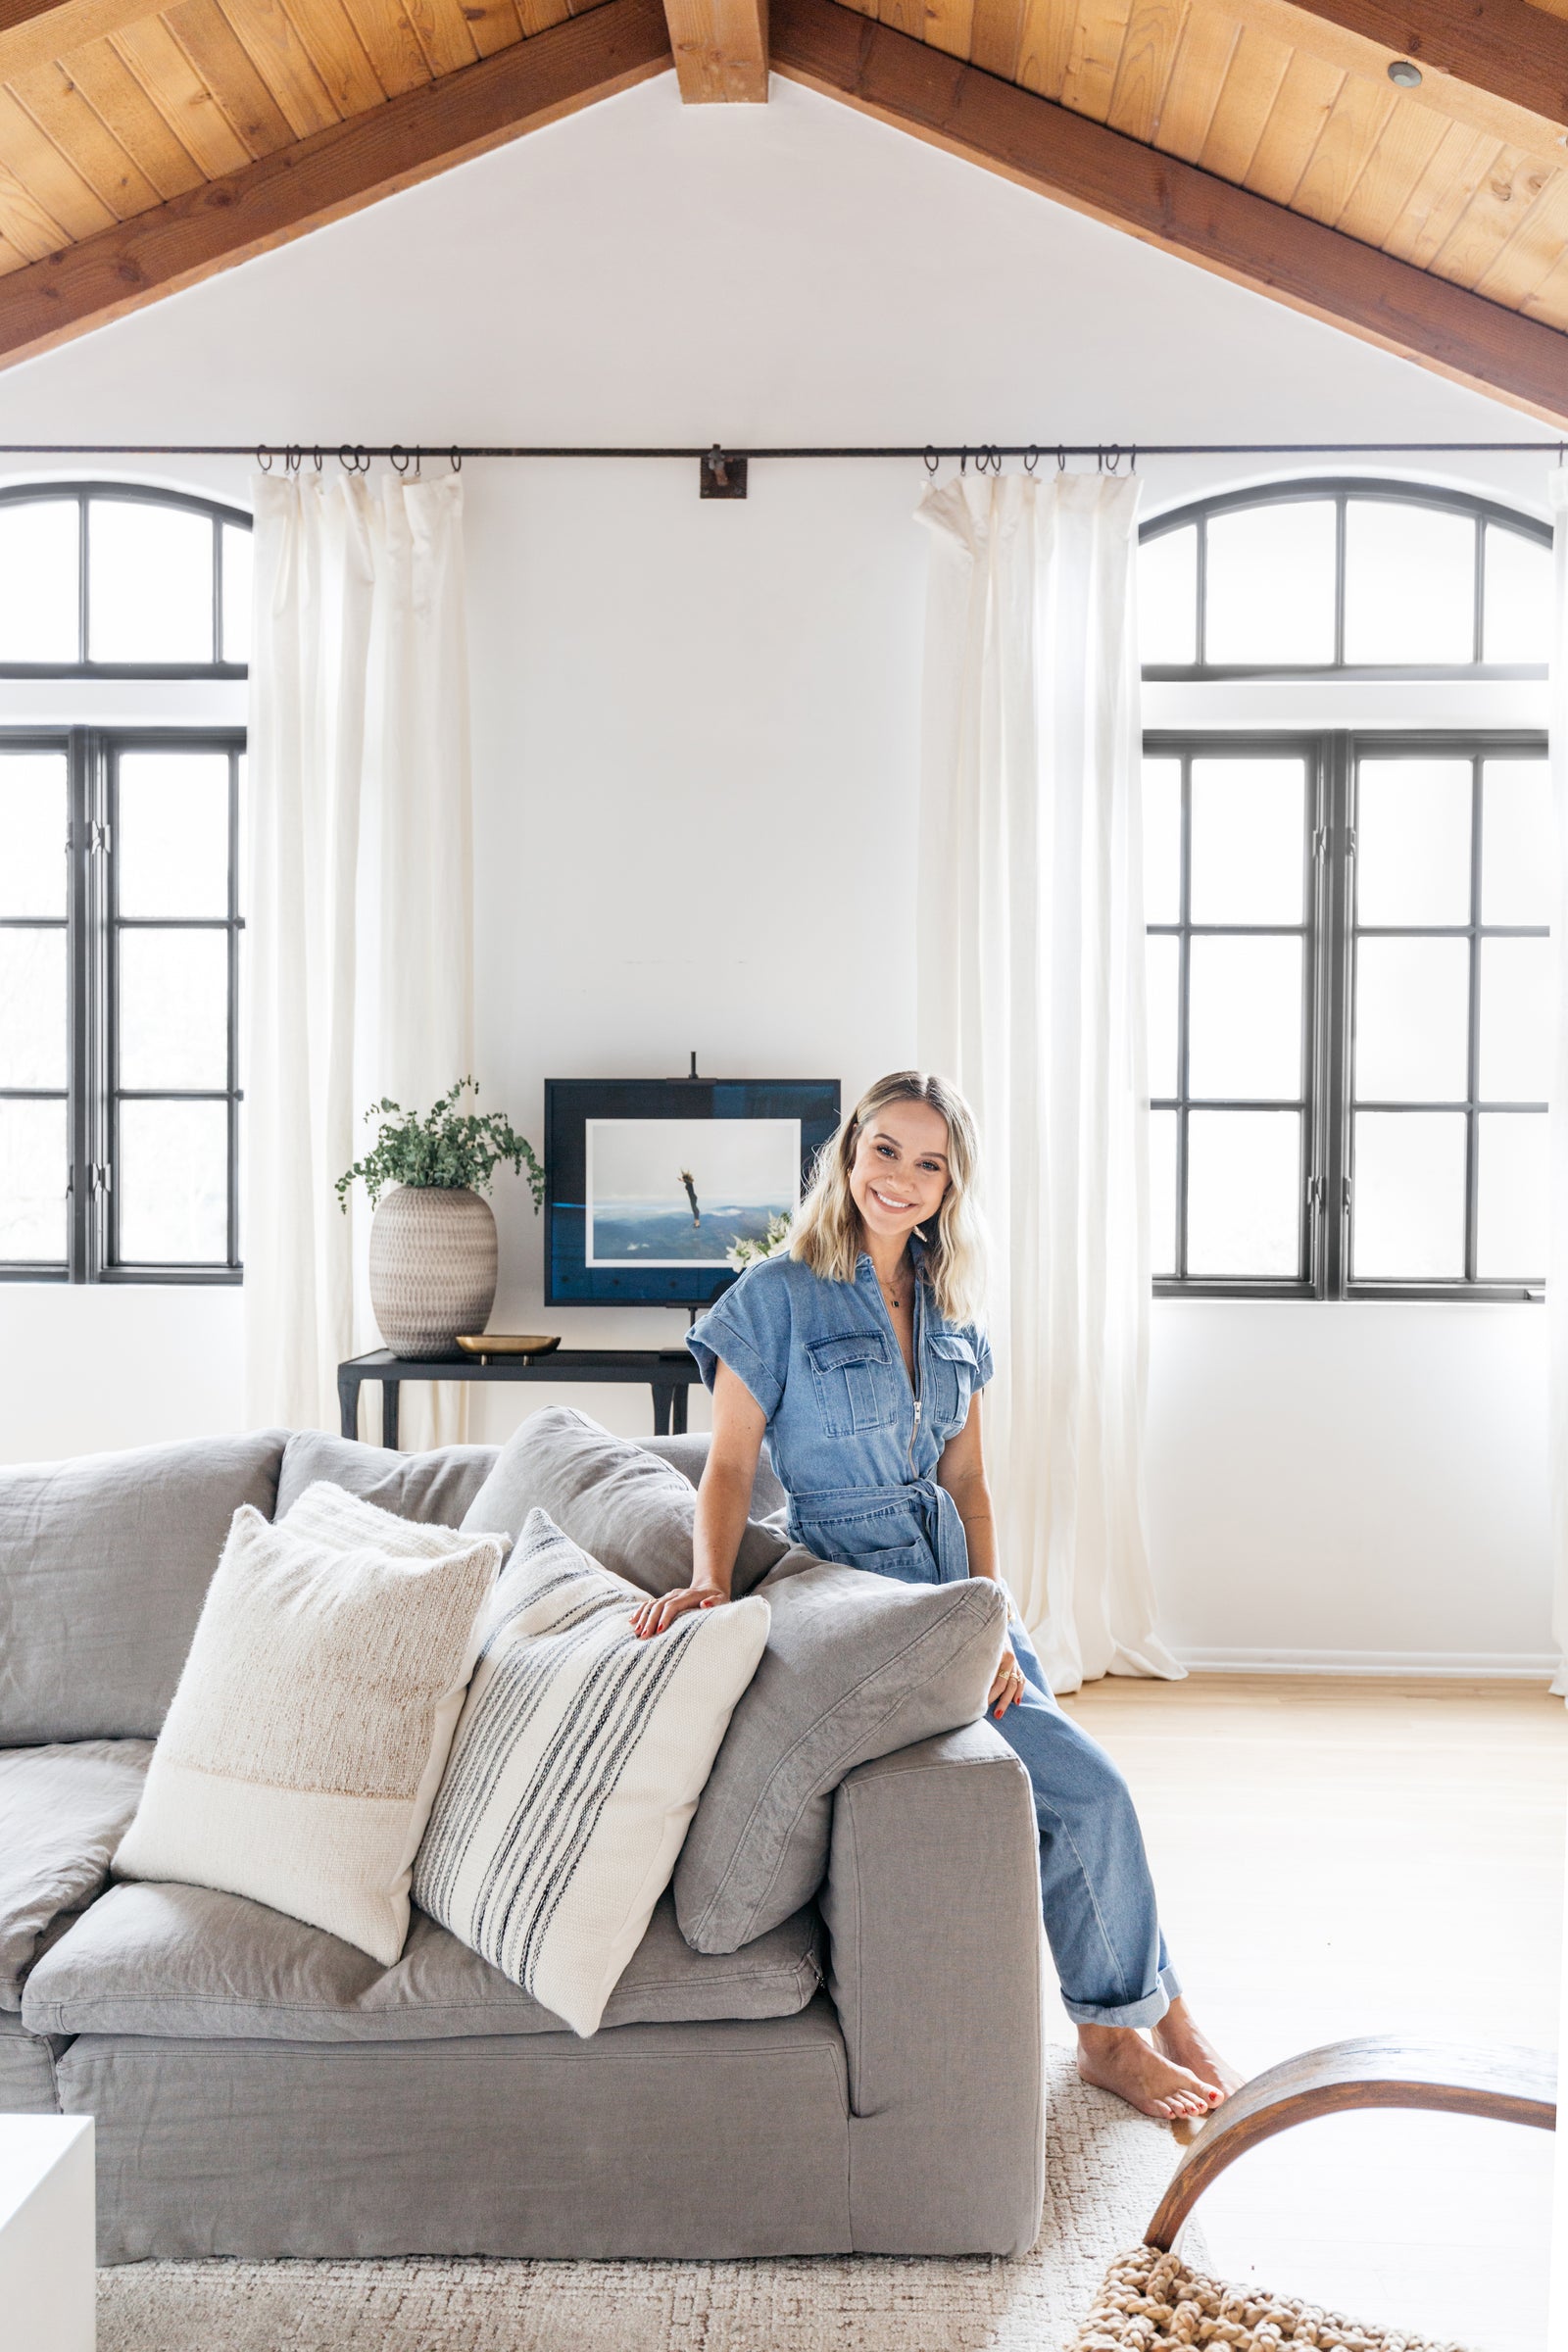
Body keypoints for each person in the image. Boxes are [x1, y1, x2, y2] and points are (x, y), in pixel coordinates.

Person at [632, 1069, 1243, 2124]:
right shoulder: (773, 1296)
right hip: (854, 1591)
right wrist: (703, 1580)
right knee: (1084, 1786)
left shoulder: (954, 1306)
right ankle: (1116, 2034)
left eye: (929, 1163)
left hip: (951, 1583)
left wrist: (991, 1614)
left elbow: (966, 1483)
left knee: (1073, 1779)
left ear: (950, 1185)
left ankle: (1160, 2004)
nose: (901, 1179)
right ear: (848, 1154)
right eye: (885, 1151)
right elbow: (728, 1467)